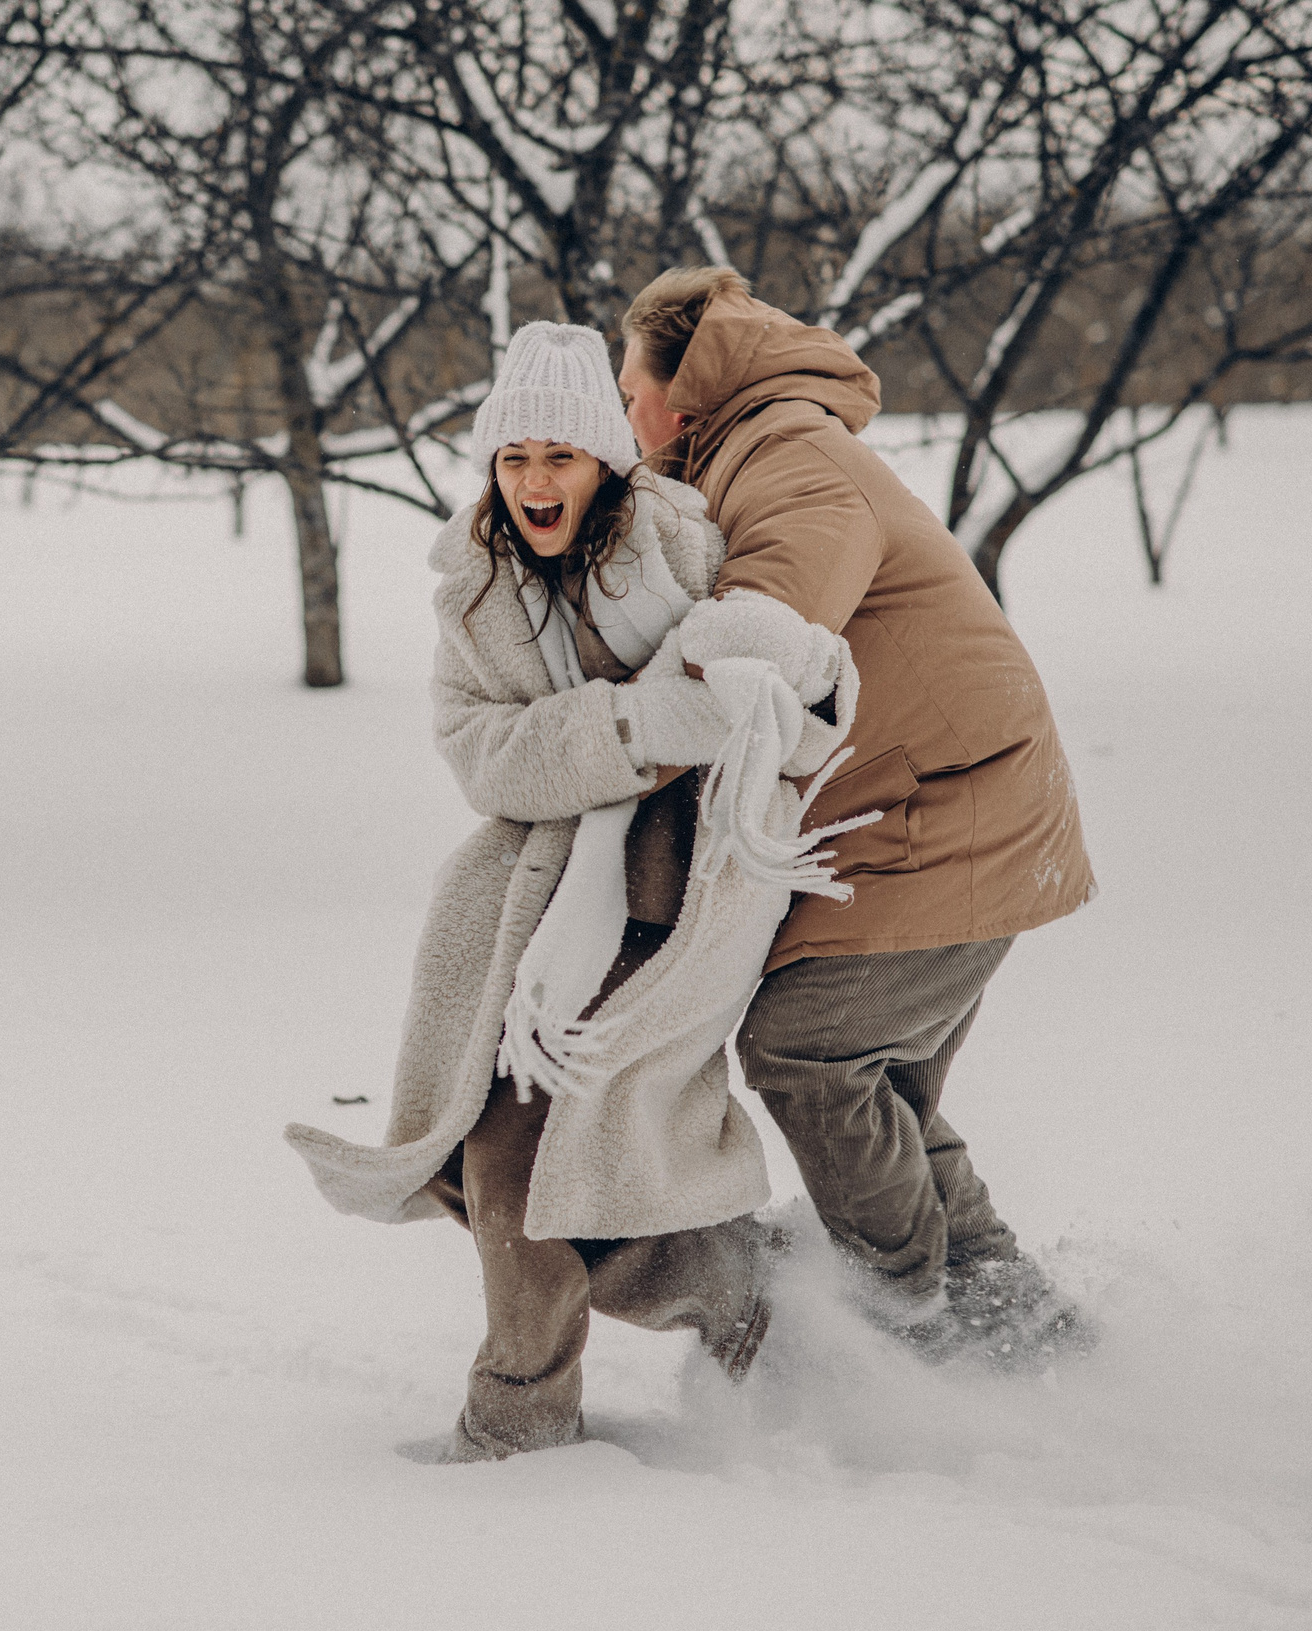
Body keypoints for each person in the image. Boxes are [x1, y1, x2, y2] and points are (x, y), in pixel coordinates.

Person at [284, 323, 876, 1460]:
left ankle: (520, 1423)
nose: (534, 481)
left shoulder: (689, 556)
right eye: (513, 459)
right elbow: (479, 755)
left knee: (535, 1175)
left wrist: (771, 677)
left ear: (606, 460)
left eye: (559, 455)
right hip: (534, 925)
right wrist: (638, 725)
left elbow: (801, 698)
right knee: (513, 1173)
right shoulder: (474, 594)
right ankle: (752, 1304)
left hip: (671, 920)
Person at [614, 267, 1098, 1366]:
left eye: (628, 388)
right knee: (885, 1095)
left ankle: (900, 1327)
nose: (624, 416)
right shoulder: (759, 448)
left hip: (943, 817)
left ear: (681, 392)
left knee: (809, 1055)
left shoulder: (786, 458)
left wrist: (635, 710)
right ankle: (1022, 1334)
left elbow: (767, 632)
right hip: (938, 809)